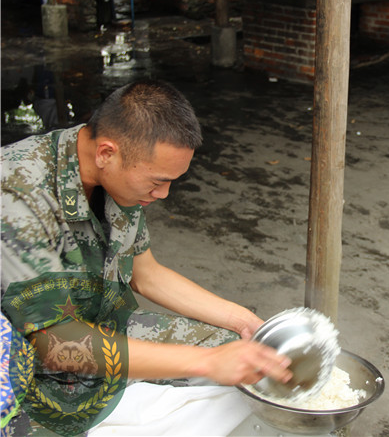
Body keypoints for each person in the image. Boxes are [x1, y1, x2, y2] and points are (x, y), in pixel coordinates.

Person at [1, 80, 292, 435]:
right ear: (106, 153)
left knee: (248, 360)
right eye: (157, 181)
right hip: (33, 367)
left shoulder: (117, 179)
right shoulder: (16, 193)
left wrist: (245, 322)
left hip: (104, 327)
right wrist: (208, 362)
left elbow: (146, 273)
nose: (164, 194)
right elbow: (57, 343)